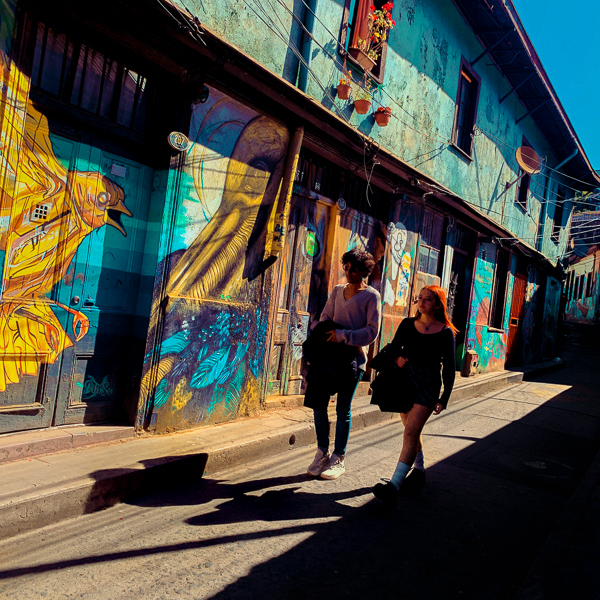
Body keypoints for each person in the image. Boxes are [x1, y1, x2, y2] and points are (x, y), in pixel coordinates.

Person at [372, 285, 457, 503]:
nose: (422, 302)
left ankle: (394, 486)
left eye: (428, 299)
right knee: (412, 431)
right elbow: (393, 347)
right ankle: (419, 471)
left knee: (410, 433)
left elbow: (449, 366)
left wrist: (444, 397)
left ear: (438, 304)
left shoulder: (446, 332)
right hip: (405, 382)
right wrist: (396, 358)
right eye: (420, 298)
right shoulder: (408, 324)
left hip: (428, 385)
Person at [304, 248, 381, 480]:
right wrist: (329, 331)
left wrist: (343, 335)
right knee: (319, 404)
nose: (348, 272)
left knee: (342, 409)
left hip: (352, 361)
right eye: (346, 267)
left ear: (363, 271)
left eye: (353, 269)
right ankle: (322, 452)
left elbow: (372, 332)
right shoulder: (338, 291)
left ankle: (339, 457)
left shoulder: (371, 296)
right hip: (328, 357)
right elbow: (326, 316)